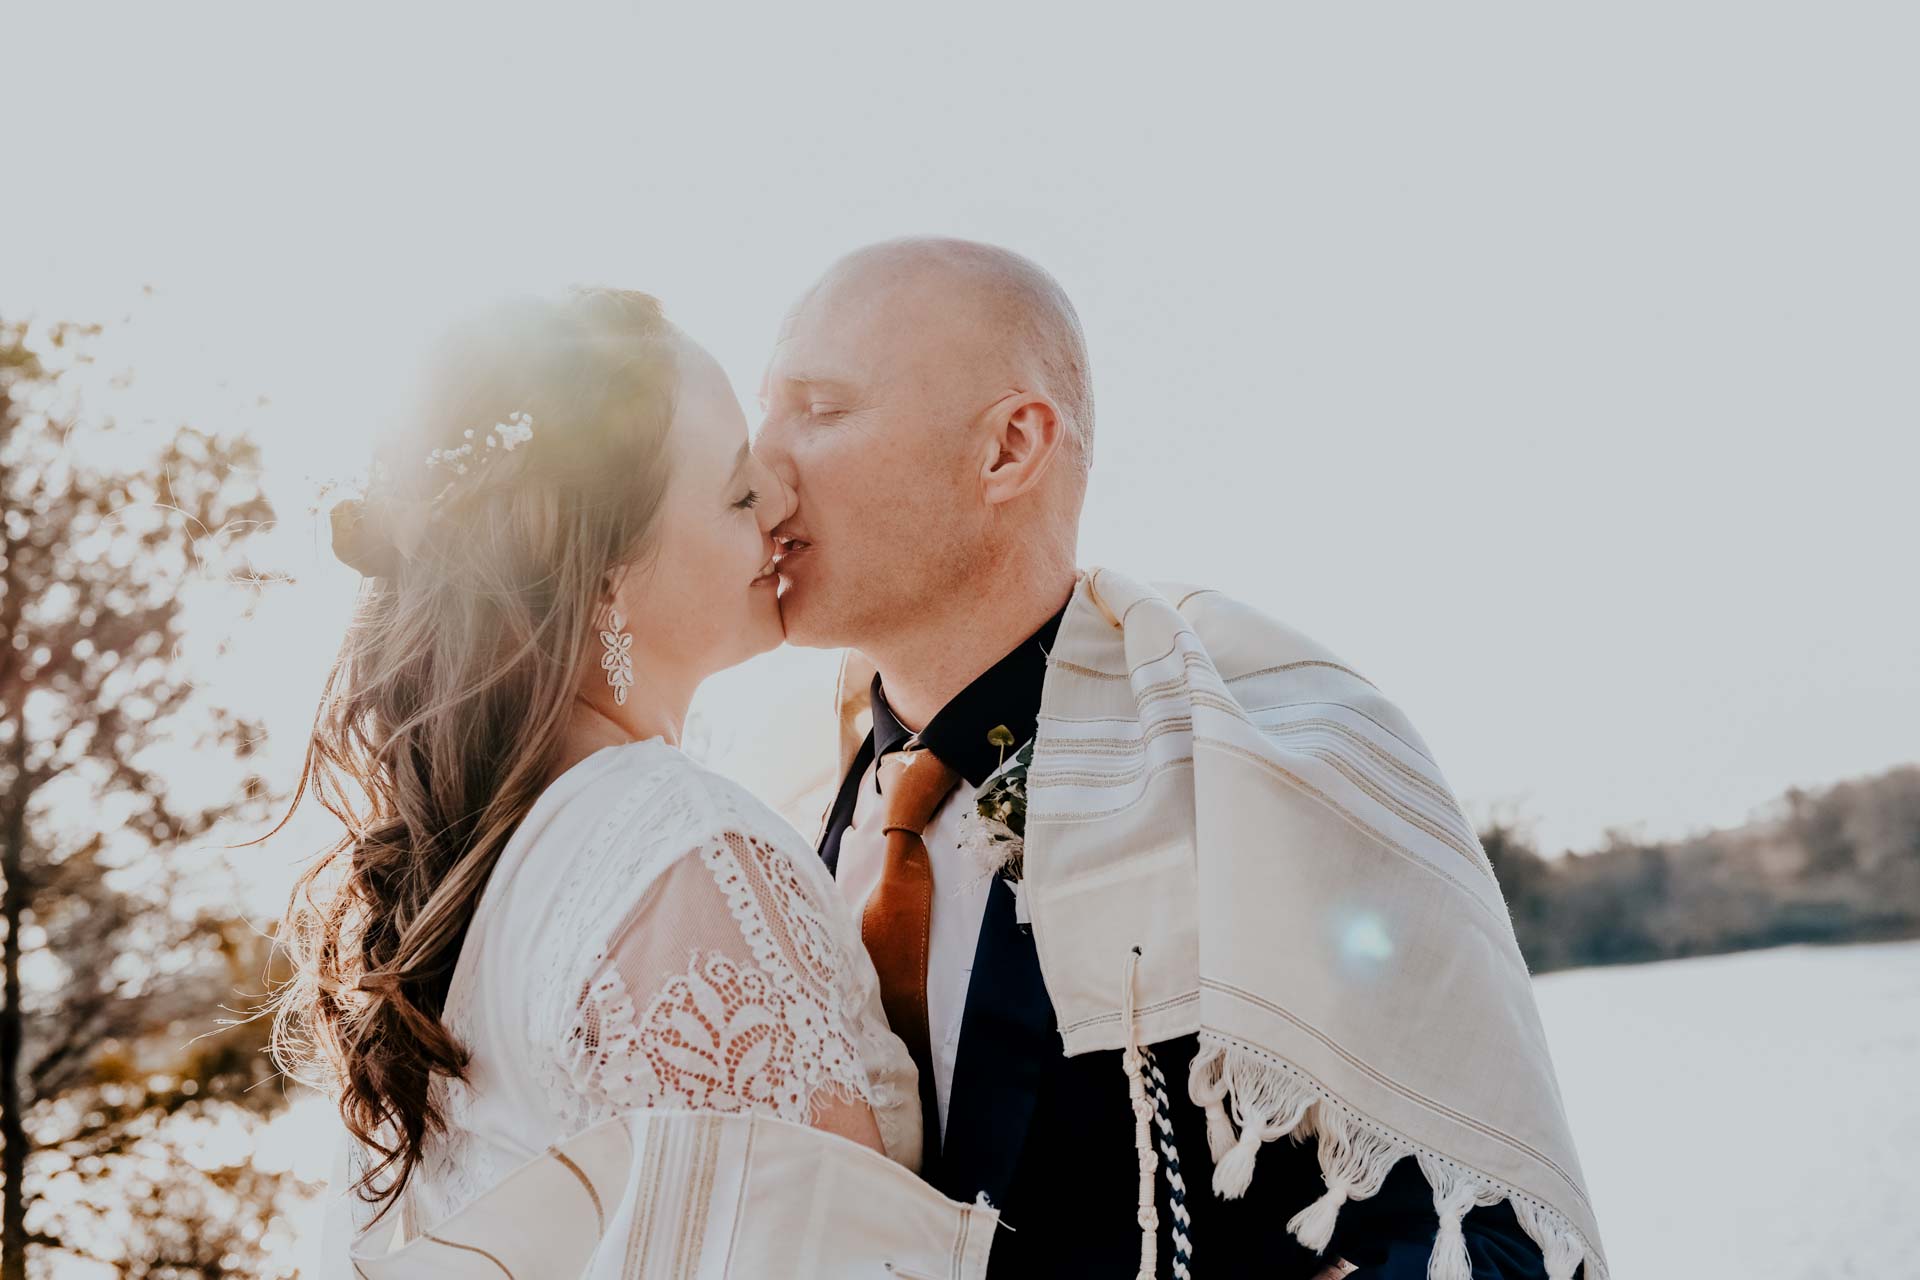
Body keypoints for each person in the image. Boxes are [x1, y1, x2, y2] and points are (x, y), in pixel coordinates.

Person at [755, 238, 1605, 1279]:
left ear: (1009, 447)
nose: (758, 467)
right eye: (763, 414)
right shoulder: (771, 821)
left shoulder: (1265, 764)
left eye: (820, 409)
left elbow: (1493, 1243)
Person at [278, 289, 997, 1276]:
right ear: (607, 574)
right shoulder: (684, 851)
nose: (782, 503)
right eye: (738, 494)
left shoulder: (499, 871)